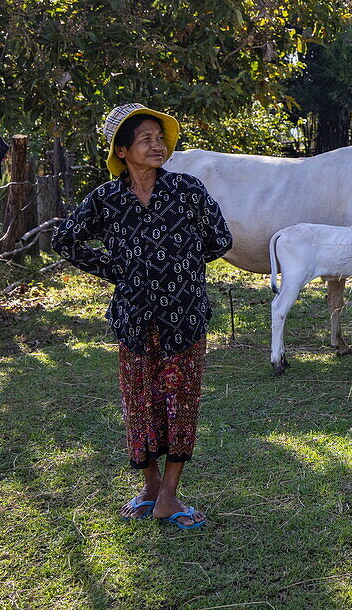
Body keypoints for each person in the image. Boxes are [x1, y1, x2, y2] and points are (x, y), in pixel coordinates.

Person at [53, 103, 232, 529]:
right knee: (140, 404)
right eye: (146, 139)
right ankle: (151, 487)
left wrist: (180, 269)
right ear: (122, 150)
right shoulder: (107, 199)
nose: (158, 145)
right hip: (133, 318)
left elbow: (219, 237)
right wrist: (117, 270)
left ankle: (169, 495)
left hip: (184, 315)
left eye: (161, 137)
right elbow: (66, 241)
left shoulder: (187, 190)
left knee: (180, 403)